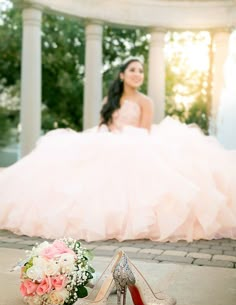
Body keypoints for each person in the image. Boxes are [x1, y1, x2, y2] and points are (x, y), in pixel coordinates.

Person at [0, 57, 236, 243]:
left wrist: (124, 142)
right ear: (122, 75)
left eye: (141, 71)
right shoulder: (109, 100)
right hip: (108, 140)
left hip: (136, 143)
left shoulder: (145, 102)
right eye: (133, 70)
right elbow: (105, 126)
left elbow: (144, 132)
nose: (137, 74)